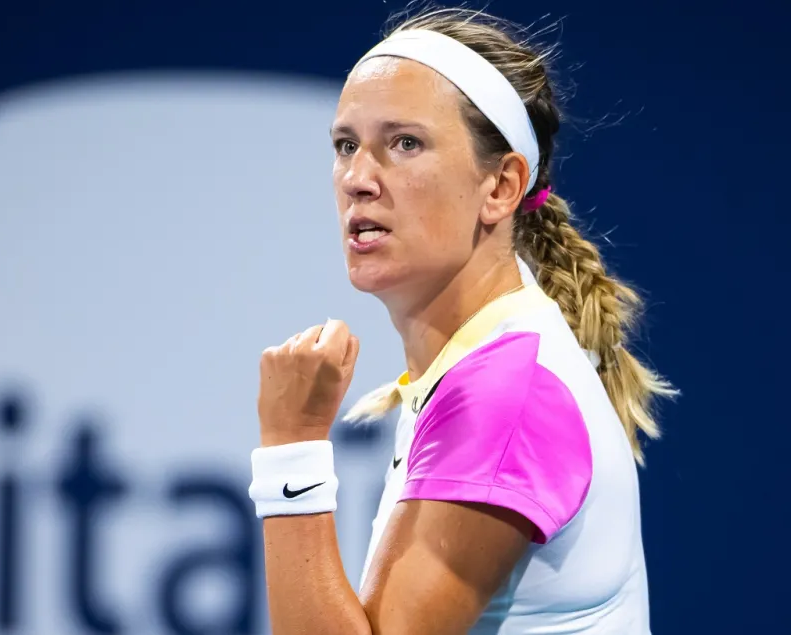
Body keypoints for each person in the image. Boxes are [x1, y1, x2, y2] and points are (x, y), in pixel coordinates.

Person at [248, 6, 676, 634]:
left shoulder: (504, 394)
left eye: (405, 143)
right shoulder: (492, 366)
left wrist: (291, 447)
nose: (358, 179)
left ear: (500, 187)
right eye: (346, 146)